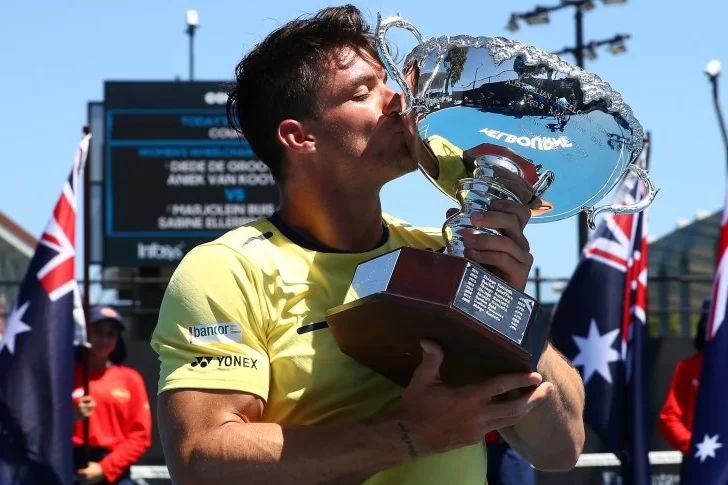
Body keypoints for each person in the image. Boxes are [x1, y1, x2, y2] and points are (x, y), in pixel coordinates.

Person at [151, 5, 586, 485]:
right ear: (299, 137)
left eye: (387, 81)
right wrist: (407, 434)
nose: (399, 99)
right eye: (363, 92)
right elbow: (201, 457)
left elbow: (560, 448)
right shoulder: (228, 271)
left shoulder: (447, 255)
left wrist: (508, 306)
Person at [73, 306, 152, 485]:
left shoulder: (131, 379)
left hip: (115, 472)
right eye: (98, 332)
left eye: (111, 334)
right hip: (70, 467)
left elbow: (140, 436)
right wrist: (71, 417)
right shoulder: (65, 377)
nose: (104, 339)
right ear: (86, 334)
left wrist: (104, 468)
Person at [658, 297, 711, 455]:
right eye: (709, 320)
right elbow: (669, 417)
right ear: (703, 324)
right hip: (702, 463)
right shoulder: (688, 367)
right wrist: (699, 449)